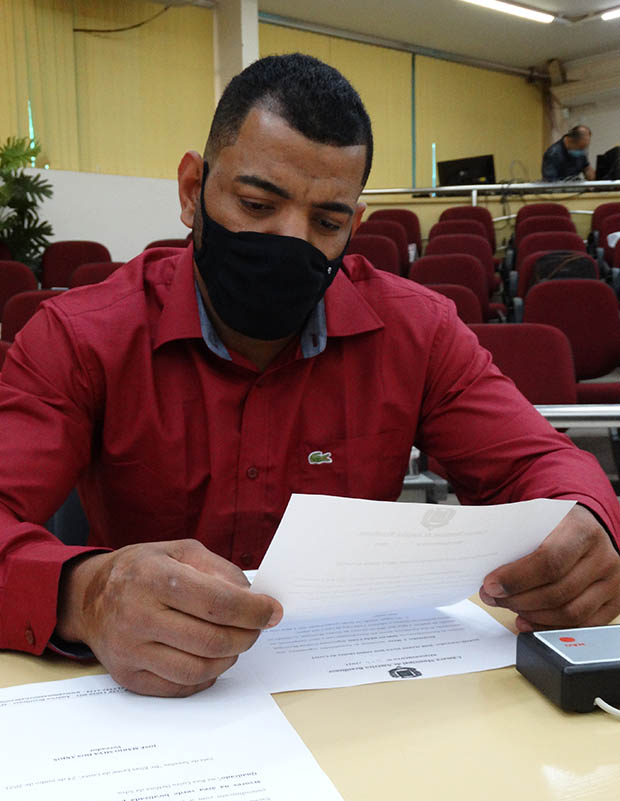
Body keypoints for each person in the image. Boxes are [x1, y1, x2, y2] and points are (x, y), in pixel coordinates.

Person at [1, 54, 619, 698]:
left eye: (326, 222)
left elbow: (540, 464)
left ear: (354, 223)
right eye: (256, 203)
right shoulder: (82, 335)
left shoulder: (417, 332)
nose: (289, 240)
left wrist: (588, 525)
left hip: (356, 691)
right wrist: (87, 595)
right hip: (142, 696)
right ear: (192, 190)